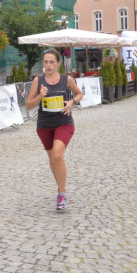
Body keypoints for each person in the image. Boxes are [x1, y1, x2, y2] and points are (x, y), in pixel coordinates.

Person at [26, 48, 83, 211]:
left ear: (58, 63)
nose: (48, 65)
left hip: (64, 122)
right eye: (46, 62)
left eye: (52, 62)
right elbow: (29, 105)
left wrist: (72, 103)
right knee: (53, 159)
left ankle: (62, 193)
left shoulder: (66, 79)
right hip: (44, 125)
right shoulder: (39, 81)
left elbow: (79, 94)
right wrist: (40, 97)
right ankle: (60, 186)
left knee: (57, 155)